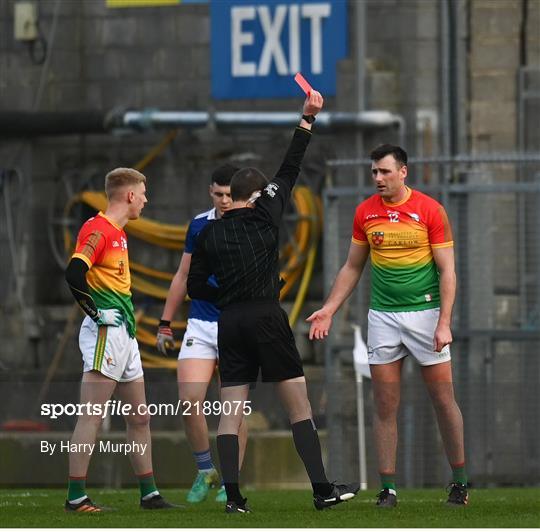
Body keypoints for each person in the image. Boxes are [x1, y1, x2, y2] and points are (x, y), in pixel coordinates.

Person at [187, 91, 359, 513]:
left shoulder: (210, 233)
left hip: (229, 321)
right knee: (298, 406)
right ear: (257, 193)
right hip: (266, 316)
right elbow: (291, 165)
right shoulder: (268, 213)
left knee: (230, 412)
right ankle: (321, 489)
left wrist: (225, 294)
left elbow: (195, 286)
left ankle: (232, 498)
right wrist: (307, 119)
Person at [307, 144, 468, 507]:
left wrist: (444, 323)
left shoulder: (430, 210)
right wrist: (329, 309)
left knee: (444, 400)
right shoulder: (365, 212)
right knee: (384, 404)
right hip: (383, 318)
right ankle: (388, 489)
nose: (378, 178)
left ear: (403, 172)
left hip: (426, 318)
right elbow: (352, 267)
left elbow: (448, 271)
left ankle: (459, 482)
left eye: (384, 172)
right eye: (374, 172)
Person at [64, 167, 176, 512]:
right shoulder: (98, 231)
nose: (145, 199)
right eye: (143, 193)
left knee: (140, 417)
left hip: (123, 332)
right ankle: (76, 497)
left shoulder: (118, 232)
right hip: (106, 332)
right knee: (92, 415)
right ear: (129, 195)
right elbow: (73, 271)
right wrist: (96, 313)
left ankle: (149, 494)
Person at [156, 165, 248, 504]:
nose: (224, 201)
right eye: (218, 194)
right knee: (189, 399)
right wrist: (165, 322)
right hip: (200, 324)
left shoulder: (252, 221)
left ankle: (231, 483)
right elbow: (183, 275)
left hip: (238, 324)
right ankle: (205, 469)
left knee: (235, 408)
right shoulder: (199, 225)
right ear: (210, 192)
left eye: (229, 195)